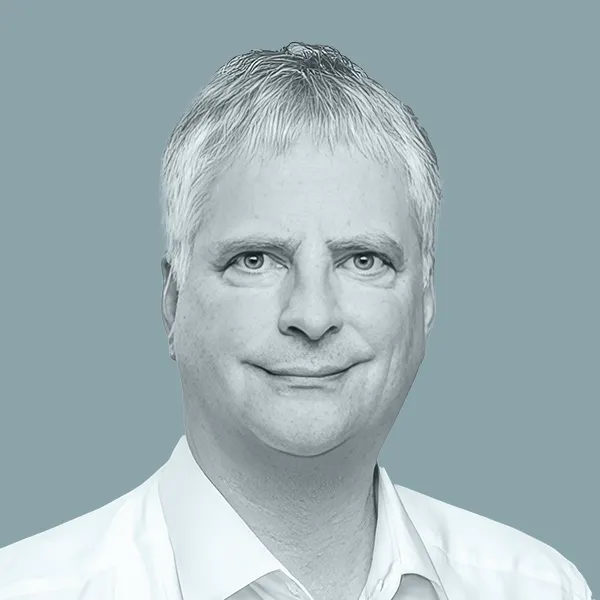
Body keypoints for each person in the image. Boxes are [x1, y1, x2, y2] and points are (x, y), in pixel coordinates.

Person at [0, 42, 593, 600]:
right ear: (173, 301)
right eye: (255, 260)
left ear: (427, 299)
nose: (311, 316)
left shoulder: (541, 588)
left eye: (363, 260)